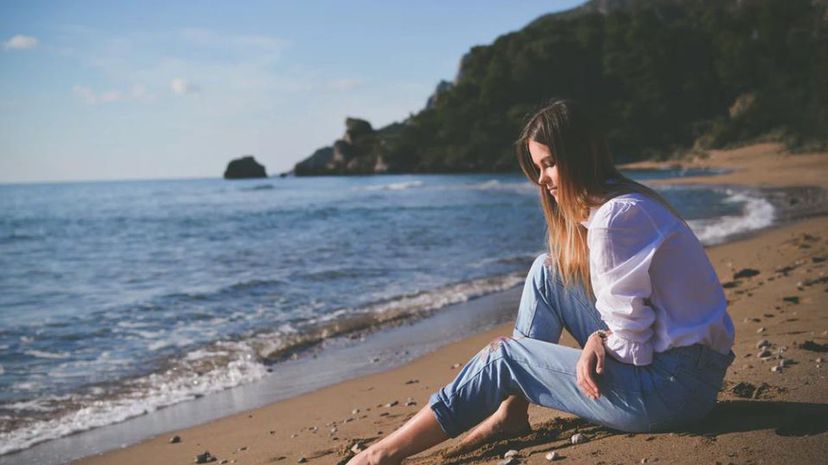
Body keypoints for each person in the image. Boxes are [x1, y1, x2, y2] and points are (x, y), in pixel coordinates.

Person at [347, 99, 735, 465]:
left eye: (549, 164)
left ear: (579, 156)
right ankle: (511, 412)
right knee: (547, 272)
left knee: (505, 358)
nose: (542, 180)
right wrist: (602, 340)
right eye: (537, 167)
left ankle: (383, 453)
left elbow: (634, 349)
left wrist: (599, 341)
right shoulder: (625, 203)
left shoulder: (615, 219)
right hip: (685, 375)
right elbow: (641, 327)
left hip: (670, 391)